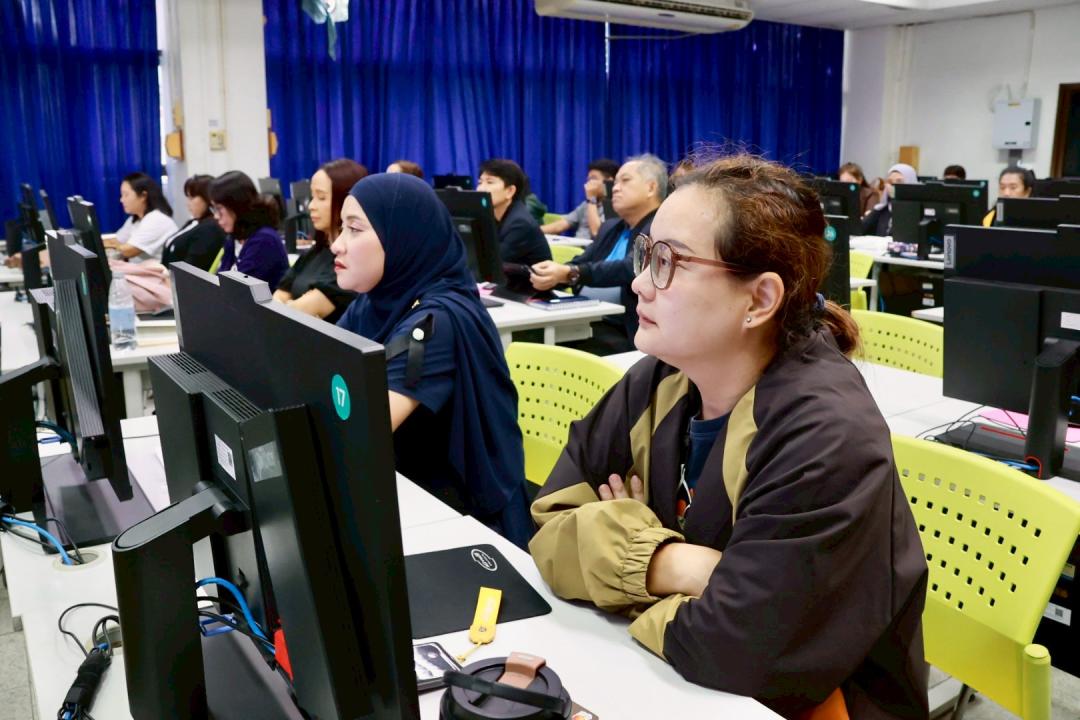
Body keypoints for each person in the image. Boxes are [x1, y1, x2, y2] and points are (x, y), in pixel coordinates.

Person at [529, 154, 929, 720]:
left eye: (668, 262)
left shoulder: (828, 435)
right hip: (670, 680)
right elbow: (549, 526)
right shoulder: (662, 377)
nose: (639, 282)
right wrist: (677, 564)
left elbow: (739, 649)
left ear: (759, 300)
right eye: (646, 254)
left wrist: (615, 555)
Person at [332, 173, 533, 548]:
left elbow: (358, 427)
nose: (337, 244)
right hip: (406, 492)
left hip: (463, 525)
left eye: (354, 229)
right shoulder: (373, 304)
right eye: (342, 227)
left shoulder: (435, 323)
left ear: (402, 237)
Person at [529, 154, 667, 354]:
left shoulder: (660, 227)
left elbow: (631, 267)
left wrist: (571, 273)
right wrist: (552, 274)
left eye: (625, 181)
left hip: (623, 328)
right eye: (615, 183)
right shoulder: (611, 227)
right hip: (586, 316)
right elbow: (581, 261)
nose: (615, 188)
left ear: (651, 188)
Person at [273, 159, 367, 322]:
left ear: (346, 202)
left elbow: (302, 311)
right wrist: (288, 304)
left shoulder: (352, 262)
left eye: (321, 197)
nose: (311, 205)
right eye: (312, 197)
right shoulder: (316, 251)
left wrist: (289, 305)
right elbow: (280, 293)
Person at [210, 171, 289, 291]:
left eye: (219, 209)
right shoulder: (234, 237)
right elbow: (220, 280)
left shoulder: (265, 240)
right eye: (214, 209)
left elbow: (236, 290)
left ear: (237, 206)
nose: (216, 216)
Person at [476, 158, 551, 268]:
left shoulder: (520, 223)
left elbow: (493, 262)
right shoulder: (492, 216)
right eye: (480, 182)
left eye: (490, 182)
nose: (480, 189)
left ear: (510, 191)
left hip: (529, 279)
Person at [106, 172, 178, 263]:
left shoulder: (156, 219)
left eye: (126, 195)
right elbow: (117, 240)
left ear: (143, 196)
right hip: (138, 270)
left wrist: (113, 245)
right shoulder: (135, 219)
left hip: (156, 271)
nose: (121, 200)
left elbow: (128, 251)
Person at [540, 158, 619, 240]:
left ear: (609, 181)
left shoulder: (614, 206)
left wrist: (591, 199)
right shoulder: (585, 205)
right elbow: (560, 226)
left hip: (593, 247)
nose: (588, 183)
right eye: (588, 179)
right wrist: (534, 231)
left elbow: (597, 232)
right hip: (576, 245)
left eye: (593, 178)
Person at [160, 175, 226, 271]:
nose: (187, 203)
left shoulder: (210, 228)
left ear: (207, 198)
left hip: (179, 278)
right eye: (187, 198)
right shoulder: (194, 222)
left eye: (191, 198)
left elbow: (192, 268)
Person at [861, 163, 917, 236]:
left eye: (899, 182)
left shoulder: (917, 211)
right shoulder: (882, 209)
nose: (893, 186)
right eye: (890, 182)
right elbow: (860, 230)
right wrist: (872, 213)